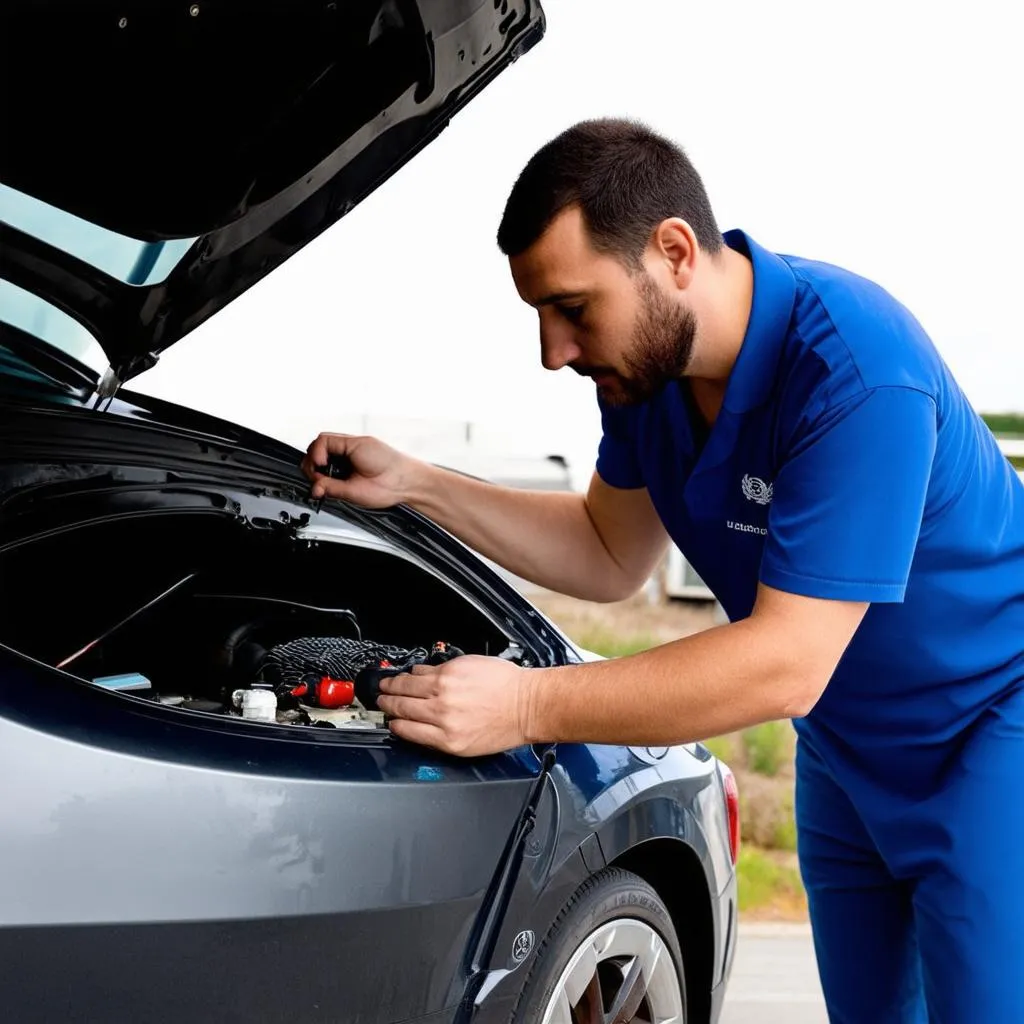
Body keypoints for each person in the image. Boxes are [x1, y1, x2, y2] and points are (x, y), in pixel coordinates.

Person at [302, 118, 1024, 1021]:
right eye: (538, 316)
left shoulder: (856, 372)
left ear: (674, 252)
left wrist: (524, 704)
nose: (552, 351)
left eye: (572, 308)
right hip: (845, 754)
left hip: (990, 734)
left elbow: (785, 662)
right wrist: (414, 485)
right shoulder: (649, 383)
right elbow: (608, 552)